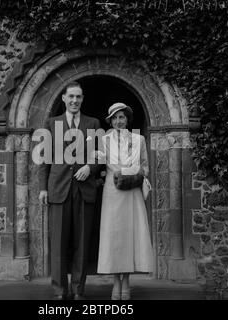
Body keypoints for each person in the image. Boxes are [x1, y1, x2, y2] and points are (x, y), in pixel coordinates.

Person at [38, 81, 101, 300]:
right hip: (58, 188)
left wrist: (89, 167)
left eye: (79, 97)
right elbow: (44, 158)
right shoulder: (51, 123)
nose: (75, 101)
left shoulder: (93, 123)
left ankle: (78, 290)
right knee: (58, 243)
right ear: (63, 98)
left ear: (82, 99)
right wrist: (43, 188)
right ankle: (59, 291)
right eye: (71, 96)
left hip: (84, 190)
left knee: (82, 244)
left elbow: (99, 154)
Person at [96, 102, 154, 300]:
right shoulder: (103, 139)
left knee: (130, 236)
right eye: (115, 118)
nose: (118, 121)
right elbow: (99, 165)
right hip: (112, 192)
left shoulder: (139, 140)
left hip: (132, 192)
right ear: (110, 121)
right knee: (114, 236)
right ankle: (115, 282)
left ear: (127, 119)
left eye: (122, 117)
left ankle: (127, 282)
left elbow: (146, 167)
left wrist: (131, 173)